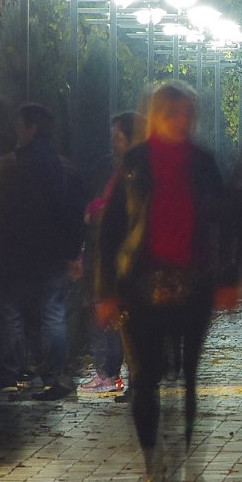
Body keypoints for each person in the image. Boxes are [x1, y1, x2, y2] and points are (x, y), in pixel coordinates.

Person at [94, 84, 236, 482]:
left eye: (188, 113)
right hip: (140, 285)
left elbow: (222, 225)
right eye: (174, 113)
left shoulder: (204, 163)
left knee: (188, 373)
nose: (182, 121)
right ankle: (153, 459)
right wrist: (106, 290)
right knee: (145, 375)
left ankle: (188, 452)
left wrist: (226, 280)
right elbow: (111, 230)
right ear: (157, 115)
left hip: (193, 283)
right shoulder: (135, 163)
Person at [0, 103, 84, 401]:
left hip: (14, 253)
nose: (17, 132)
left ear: (31, 128)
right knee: (53, 312)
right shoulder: (64, 168)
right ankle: (52, 376)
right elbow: (74, 213)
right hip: (51, 253)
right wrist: (70, 251)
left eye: (20, 126)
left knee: (10, 312)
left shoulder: (8, 166)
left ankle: (10, 375)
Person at [80, 112, 136, 395]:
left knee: (116, 316)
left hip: (121, 258)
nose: (113, 141)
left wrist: (97, 212)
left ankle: (111, 373)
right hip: (110, 255)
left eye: (118, 136)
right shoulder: (112, 167)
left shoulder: (133, 170)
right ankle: (111, 373)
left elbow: (115, 210)